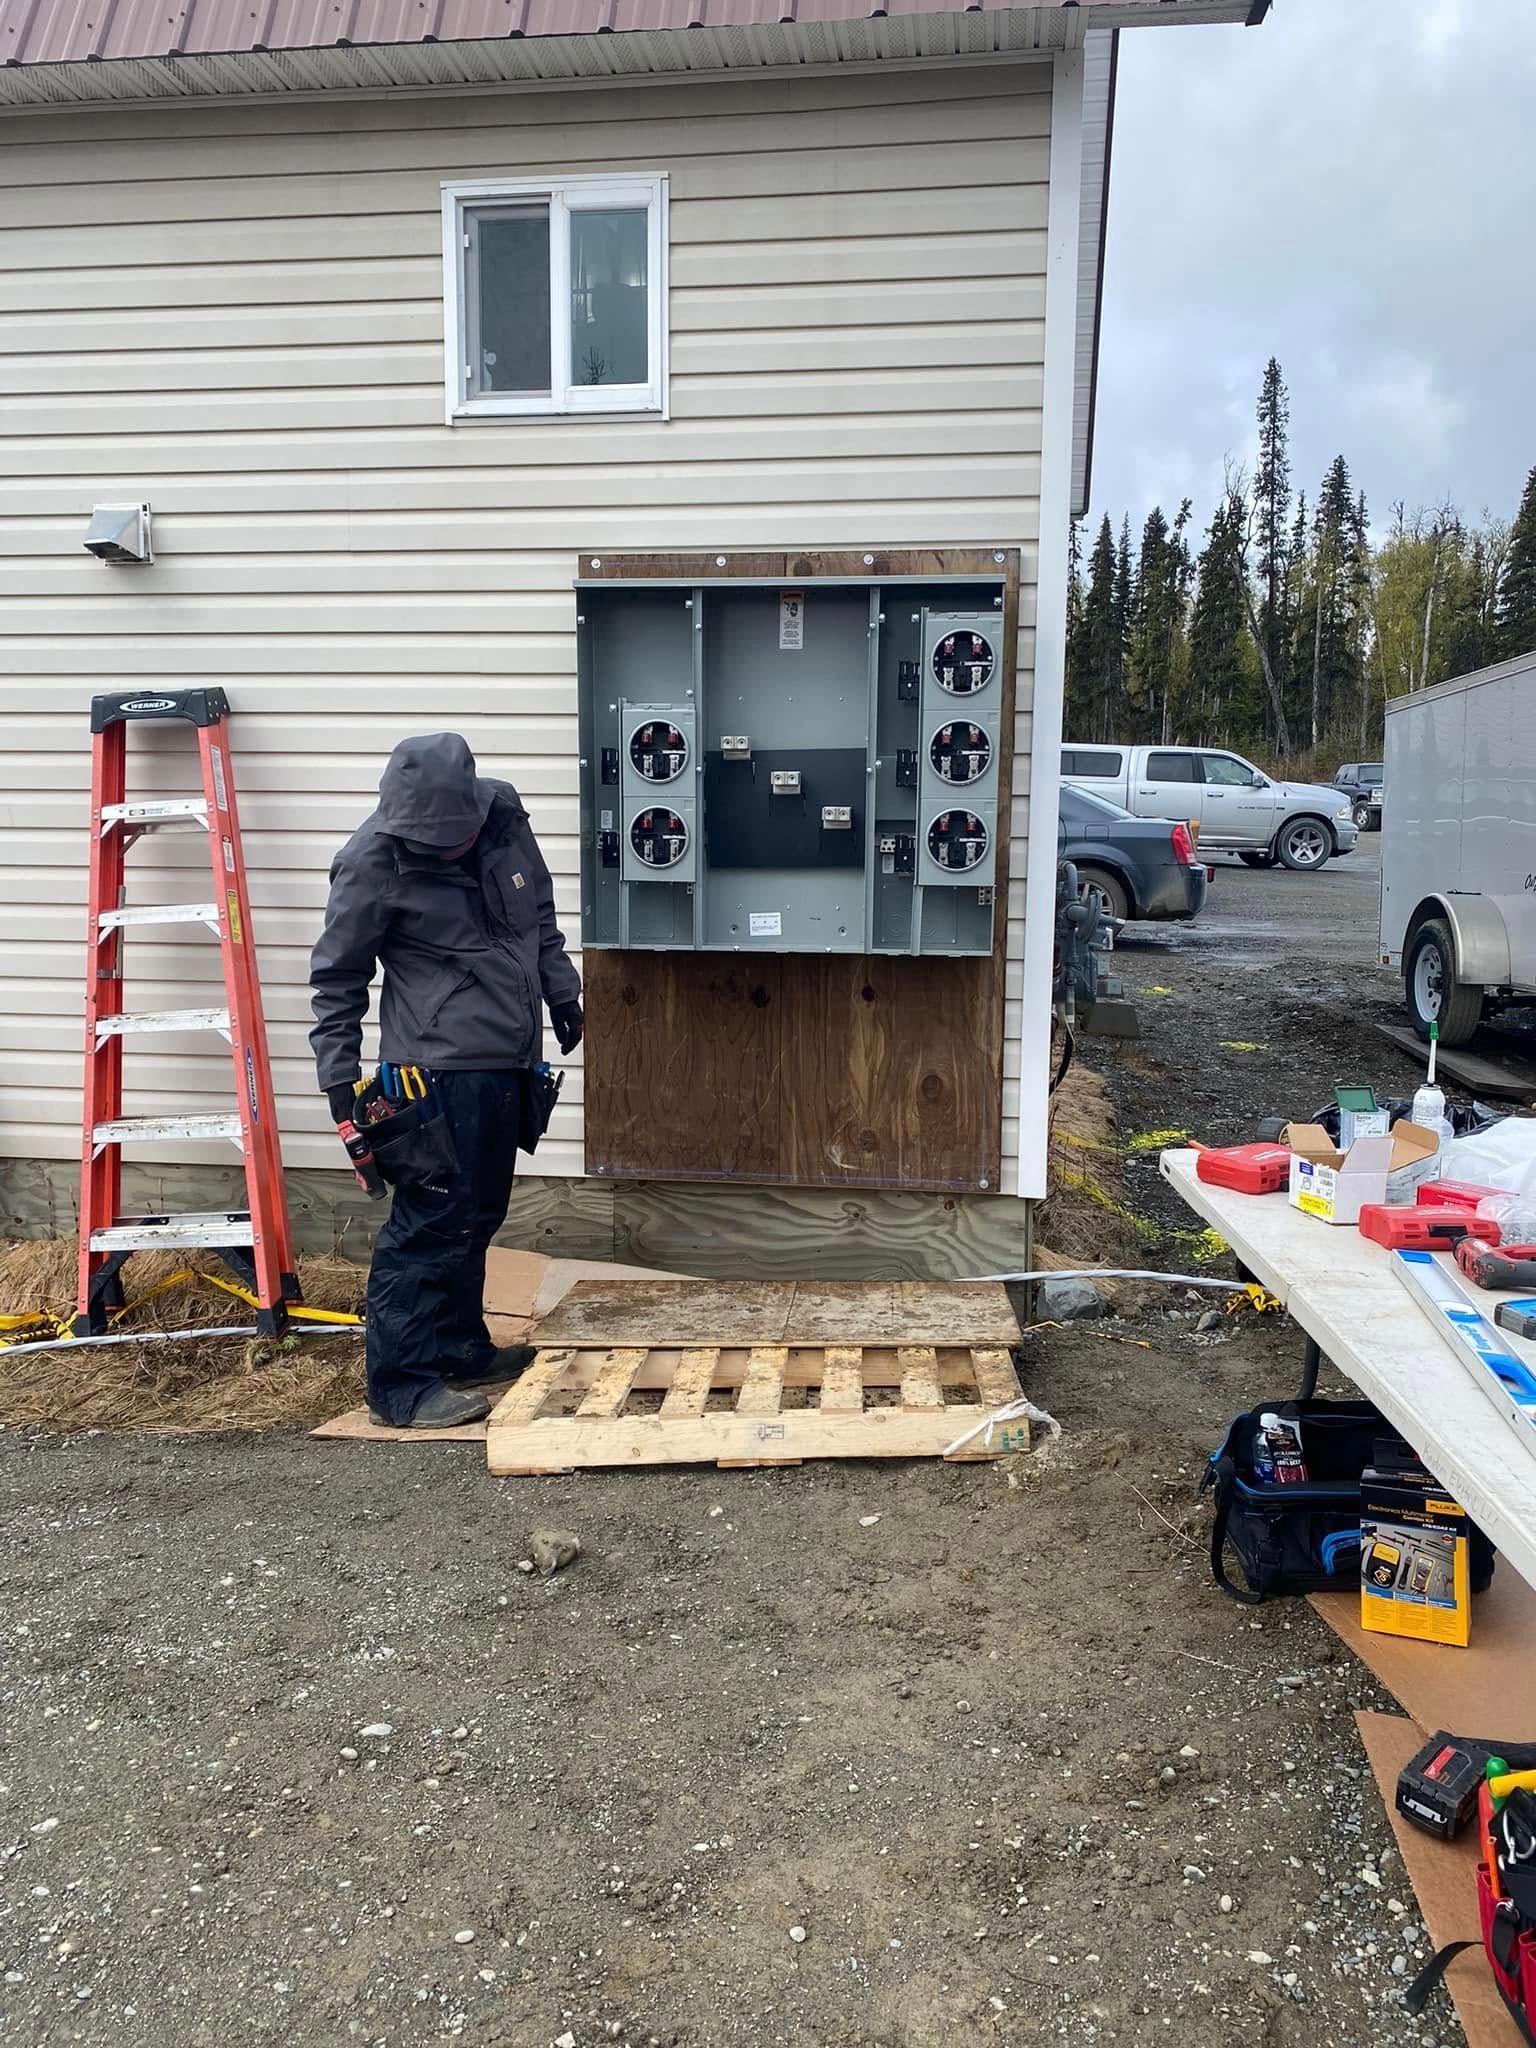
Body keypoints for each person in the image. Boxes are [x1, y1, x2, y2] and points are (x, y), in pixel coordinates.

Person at [309, 733, 583, 1429]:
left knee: (479, 1214)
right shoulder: (370, 861)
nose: (446, 851)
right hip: (428, 1070)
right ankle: (400, 1386)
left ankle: (461, 1348)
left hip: (507, 1059)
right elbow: (338, 977)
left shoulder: (505, 819)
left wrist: (562, 993)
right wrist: (340, 1077)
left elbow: (538, 917)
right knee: (431, 1224)